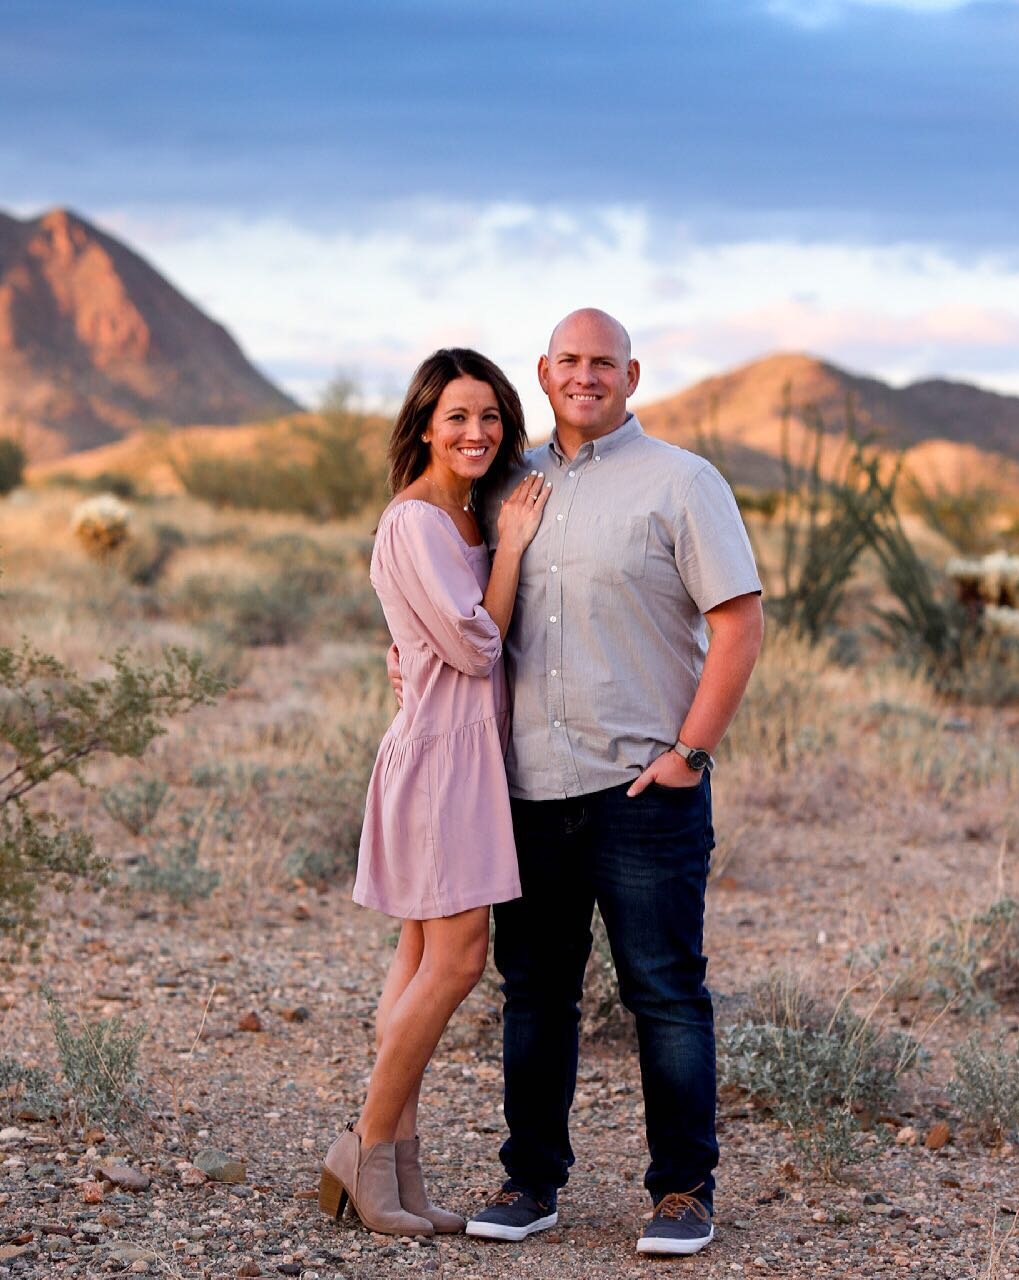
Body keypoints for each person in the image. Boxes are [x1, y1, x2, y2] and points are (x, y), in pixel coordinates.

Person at [393, 309, 763, 1256]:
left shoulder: (683, 482)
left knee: (666, 992)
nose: (585, 376)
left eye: (603, 362)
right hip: (523, 790)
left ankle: (683, 1191)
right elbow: (445, 598)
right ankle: (531, 1183)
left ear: (631, 375)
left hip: (644, 789)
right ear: (544, 373)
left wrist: (692, 753)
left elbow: (739, 622)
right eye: (569, 361)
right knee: (536, 993)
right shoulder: (505, 482)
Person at [318, 348, 551, 1237]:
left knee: (420, 960)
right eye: (457, 416)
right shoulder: (417, 522)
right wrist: (516, 549)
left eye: (491, 417)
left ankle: (398, 1166)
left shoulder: (460, 517)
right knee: (455, 961)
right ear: (423, 423)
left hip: (459, 752)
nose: (477, 432)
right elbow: (475, 645)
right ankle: (367, 1147)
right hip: (441, 761)